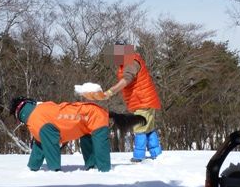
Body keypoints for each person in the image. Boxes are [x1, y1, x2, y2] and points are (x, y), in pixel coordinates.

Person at [9, 96, 144, 172]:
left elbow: (50, 144)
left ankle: (104, 170)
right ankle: (91, 166)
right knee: (86, 137)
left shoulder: (37, 118)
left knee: (98, 142)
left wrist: (54, 171)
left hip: (92, 115)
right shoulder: (37, 115)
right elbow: (40, 144)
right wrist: (32, 169)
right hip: (86, 115)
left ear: (17, 114)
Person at [85, 43, 163, 163]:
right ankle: (157, 154)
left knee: (140, 128)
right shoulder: (128, 61)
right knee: (148, 127)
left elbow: (127, 80)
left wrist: (110, 92)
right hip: (144, 100)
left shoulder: (131, 61)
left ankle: (138, 157)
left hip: (143, 100)